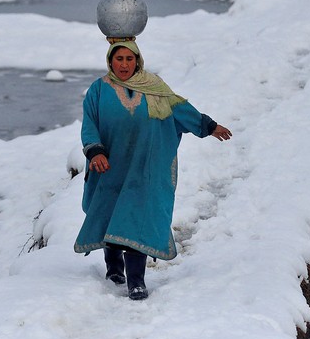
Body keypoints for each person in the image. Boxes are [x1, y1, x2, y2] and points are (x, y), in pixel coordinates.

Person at [74, 39, 232, 300]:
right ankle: (114, 269)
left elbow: (182, 109)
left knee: (139, 218)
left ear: (137, 60)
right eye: (119, 59)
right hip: (111, 166)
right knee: (111, 215)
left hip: (145, 169)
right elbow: (89, 123)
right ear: (110, 61)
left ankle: (136, 280)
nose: (124, 64)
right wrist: (95, 150)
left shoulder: (156, 88)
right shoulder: (98, 90)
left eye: (129, 59)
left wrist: (209, 126)